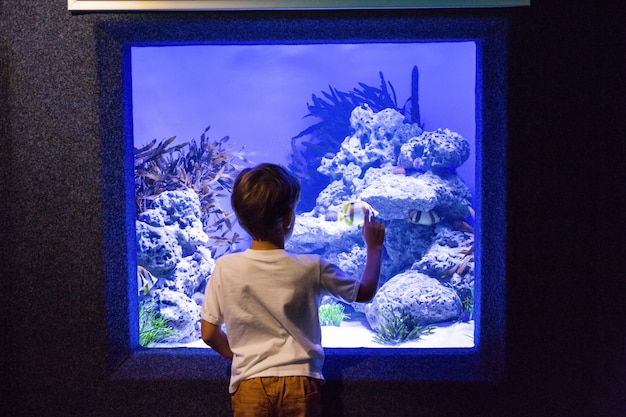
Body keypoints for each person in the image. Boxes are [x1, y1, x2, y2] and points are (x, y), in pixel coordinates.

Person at [201, 163, 385, 417]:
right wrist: (374, 248)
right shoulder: (311, 267)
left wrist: (241, 359)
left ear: (241, 220)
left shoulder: (225, 267)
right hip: (300, 382)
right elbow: (363, 293)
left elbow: (209, 333)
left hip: (249, 385)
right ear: (289, 218)